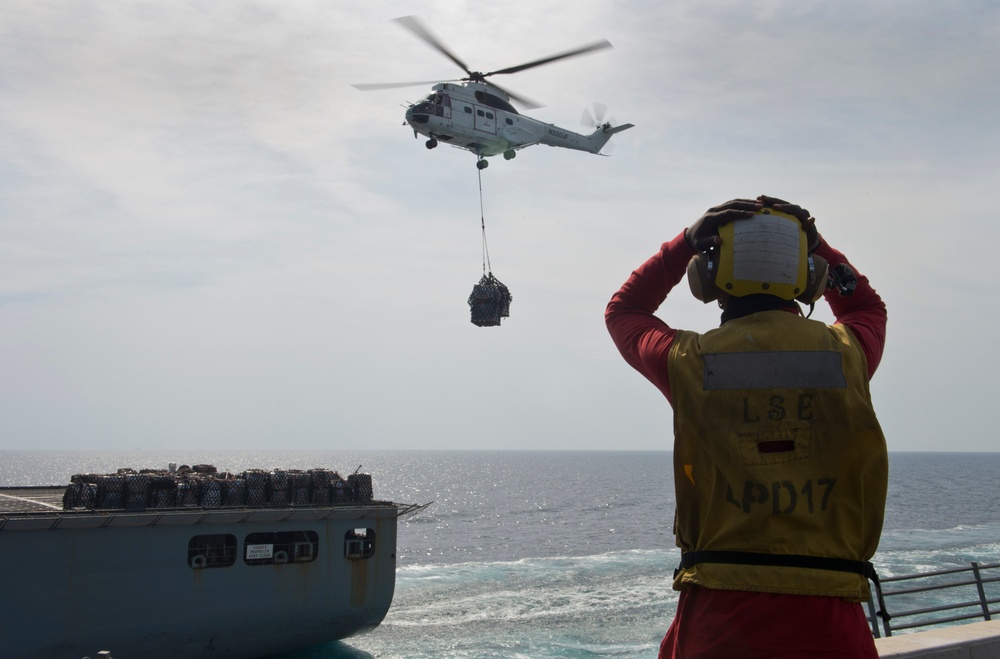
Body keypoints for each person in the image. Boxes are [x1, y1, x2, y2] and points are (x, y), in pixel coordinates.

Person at [605, 195, 888, 658]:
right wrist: (822, 247)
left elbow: (625, 311)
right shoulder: (849, 352)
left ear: (708, 279)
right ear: (810, 280)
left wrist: (681, 246)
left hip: (719, 619)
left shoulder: (688, 362)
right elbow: (866, 309)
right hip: (833, 622)